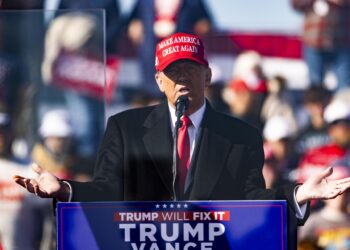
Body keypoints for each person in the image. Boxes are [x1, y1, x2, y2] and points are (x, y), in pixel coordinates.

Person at [13, 32, 350, 245]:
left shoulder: (241, 136)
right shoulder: (125, 127)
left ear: (208, 76)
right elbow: (107, 191)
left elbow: (252, 200)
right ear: (159, 81)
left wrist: (299, 194)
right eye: (174, 73)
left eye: (190, 69)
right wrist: (65, 189)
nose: (182, 79)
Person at [291, 0, 350, 90]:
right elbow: (296, 4)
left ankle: (344, 103)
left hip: (343, 43)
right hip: (314, 43)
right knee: (316, 86)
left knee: (345, 87)